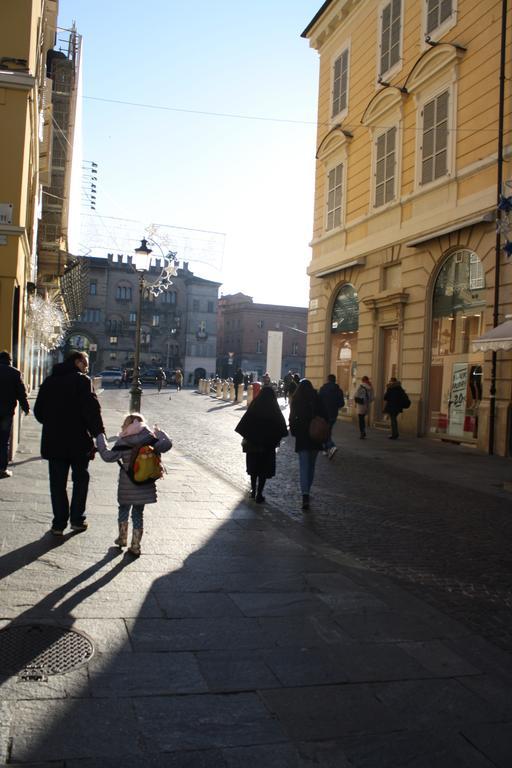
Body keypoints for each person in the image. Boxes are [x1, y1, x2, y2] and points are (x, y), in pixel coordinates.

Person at [34, 351, 105, 535]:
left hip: (54, 441)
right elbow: (92, 411)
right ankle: (77, 520)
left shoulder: (50, 381)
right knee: (80, 479)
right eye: (86, 363)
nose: (87, 367)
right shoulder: (82, 381)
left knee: (57, 484)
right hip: (78, 442)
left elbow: (39, 412)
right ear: (77, 361)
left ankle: (58, 524)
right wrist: (99, 433)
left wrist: (53, 423)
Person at [95, 413, 172, 556]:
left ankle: (122, 538)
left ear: (126, 425)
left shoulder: (123, 442)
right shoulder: (150, 440)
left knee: (123, 510)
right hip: (144, 484)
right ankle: (135, 545)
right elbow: (167, 444)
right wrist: (159, 433)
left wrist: (100, 437)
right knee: (138, 514)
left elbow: (107, 456)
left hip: (127, 485)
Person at [234, 386, 288, 503]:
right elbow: (282, 428)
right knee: (263, 471)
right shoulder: (274, 408)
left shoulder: (255, 405)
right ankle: (259, 493)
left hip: (253, 444)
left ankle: (253, 491)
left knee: (254, 469)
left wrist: (250, 436)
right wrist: (274, 439)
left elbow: (244, 424)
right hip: (268, 446)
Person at [288, 379, 328, 511]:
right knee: (311, 466)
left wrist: (294, 432)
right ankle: (308, 490)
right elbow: (325, 416)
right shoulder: (317, 398)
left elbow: (292, 419)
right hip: (315, 437)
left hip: (302, 437)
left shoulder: (297, 399)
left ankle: (305, 494)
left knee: (303, 466)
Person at [0, 350, 30, 479]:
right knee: (3, 441)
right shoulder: (15, 373)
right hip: (6, 412)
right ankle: (2, 469)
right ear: (10, 361)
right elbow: (21, 393)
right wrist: (26, 407)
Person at [318, 374, 345, 459]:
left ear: (328, 380)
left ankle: (331, 446)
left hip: (324, 414)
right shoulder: (339, 390)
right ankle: (326, 449)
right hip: (333, 414)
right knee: (328, 431)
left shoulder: (323, 389)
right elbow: (342, 404)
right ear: (335, 380)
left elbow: (318, 401)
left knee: (325, 432)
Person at [354, 375, 374, 439]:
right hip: (367, 405)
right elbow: (372, 397)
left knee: (361, 419)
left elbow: (356, 395)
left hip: (360, 404)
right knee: (363, 418)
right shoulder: (370, 387)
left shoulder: (360, 386)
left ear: (363, 380)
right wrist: (368, 401)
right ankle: (363, 431)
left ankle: (362, 432)